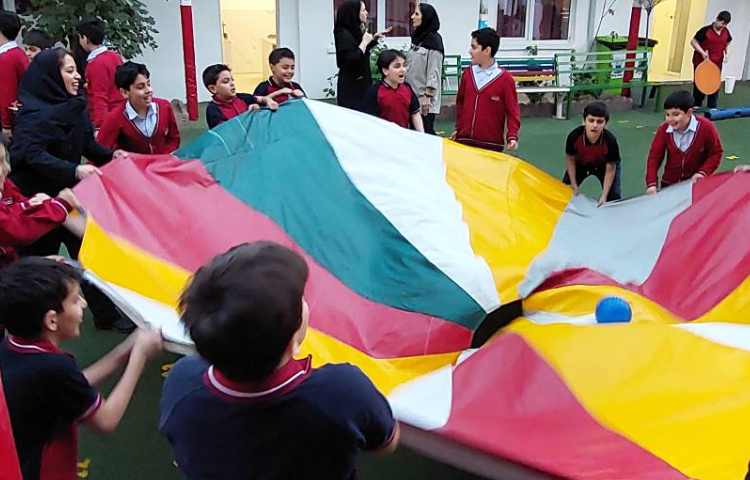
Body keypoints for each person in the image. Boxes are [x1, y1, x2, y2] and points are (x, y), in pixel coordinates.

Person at [160, 242, 399, 479]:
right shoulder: (343, 391)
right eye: (299, 300)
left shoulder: (183, 384)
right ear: (292, 343)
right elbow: (385, 443)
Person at [0, 257, 163, 480]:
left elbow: (68, 386)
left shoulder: (12, 347)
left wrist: (125, 351)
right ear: (52, 321)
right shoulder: (55, 367)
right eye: (76, 300)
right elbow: (106, 419)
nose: (84, 304)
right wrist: (139, 357)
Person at [0, 144, 80, 267]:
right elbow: (16, 229)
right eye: (0, 163)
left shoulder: (5, 185)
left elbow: (16, 205)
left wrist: (31, 204)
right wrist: (60, 205)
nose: (8, 168)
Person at [454, 27, 520, 153]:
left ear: (487, 50)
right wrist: (458, 128)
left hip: (491, 146)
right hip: (464, 142)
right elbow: (460, 103)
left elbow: (512, 111)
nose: (470, 51)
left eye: (474, 47)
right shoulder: (467, 74)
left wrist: (512, 136)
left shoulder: (505, 79)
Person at [646, 90, 723, 194]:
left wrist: (703, 172)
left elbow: (716, 153)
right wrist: (651, 184)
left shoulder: (706, 127)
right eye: (667, 114)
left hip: (696, 184)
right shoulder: (664, 129)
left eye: (676, 114)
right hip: (669, 184)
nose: (670, 119)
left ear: (689, 113)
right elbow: (654, 157)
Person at [97, 61, 180, 154]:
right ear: (124, 92)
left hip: (163, 162)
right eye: (140, 87)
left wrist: (166, 155)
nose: (148, 90)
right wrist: (115, 155)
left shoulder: (164, 107)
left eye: (148, 84)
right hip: (132, 163)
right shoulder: (115, 118)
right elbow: (99, 152)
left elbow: (174, 139)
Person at [334, 0, 391, 111]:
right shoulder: (343, 34)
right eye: (363, 10)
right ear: (354, 13)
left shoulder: (354, 30)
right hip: (352, 87)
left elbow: (360, 50)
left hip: (362, 82)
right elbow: (351, 59)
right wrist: (364, 42)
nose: (367, 13)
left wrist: (373, 38)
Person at [563, 102, 622, 206]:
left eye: (600, 122)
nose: (595, 125)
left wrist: (604, 196)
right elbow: (570, 160)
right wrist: (573, 184)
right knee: (565, 190)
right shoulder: (574, 136)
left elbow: (610, 169)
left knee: (613, 198)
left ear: (605, 124)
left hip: (604, 166)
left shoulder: (610, 141)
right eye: (591, 120)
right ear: (584, 121)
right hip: (580, 164)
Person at [76, 19, 125, 129]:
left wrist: (100, 126)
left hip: (108, 119)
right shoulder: (115, 56)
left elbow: (99, 96)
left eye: (80, 37)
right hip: (121, 114)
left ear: (85, 38)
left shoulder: (95, 64)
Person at [406, 2, 444, 135]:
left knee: (425, 133)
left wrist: (427, 96)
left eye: (416, 14)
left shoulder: (434, 41)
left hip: (424, 99)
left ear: (426, 18)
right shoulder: (417, 37)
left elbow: (434, 71)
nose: (412, 17)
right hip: (412, 94)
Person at [202, 64, 279, 129]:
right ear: (213, 89)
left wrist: (269, 102)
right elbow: (226, 132)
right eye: (226, 81)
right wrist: (249, 115)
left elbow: (263, 99)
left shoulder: (242, 97)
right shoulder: (213, 110)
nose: (232, 83)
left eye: (232, 80)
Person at [364, 49, 424, 132]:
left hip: (404, 135)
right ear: (385, 71)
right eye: (397, 66)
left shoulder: (407, 87)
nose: (403, 69)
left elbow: (415, 113)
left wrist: (421, 134)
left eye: (404, 65)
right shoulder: (374, 91)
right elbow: (369, 120)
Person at [690, 11, 732, 109]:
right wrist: (702, 52)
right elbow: (693, 42)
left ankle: (712, 106)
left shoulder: (726, 32)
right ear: (717, 19)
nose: (723, 26)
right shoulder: (705, 30)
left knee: (714, 82)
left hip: (717, 61)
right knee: (701, 81)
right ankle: (697, 104)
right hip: (702, 61)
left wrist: (726, 53)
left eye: (725, 24)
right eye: (722, 23)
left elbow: (727, 41)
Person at [0, 10, 28, 143]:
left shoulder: (6, 58)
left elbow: (7, 94)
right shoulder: (18, 53)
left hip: (13, 122)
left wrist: (6, 125)